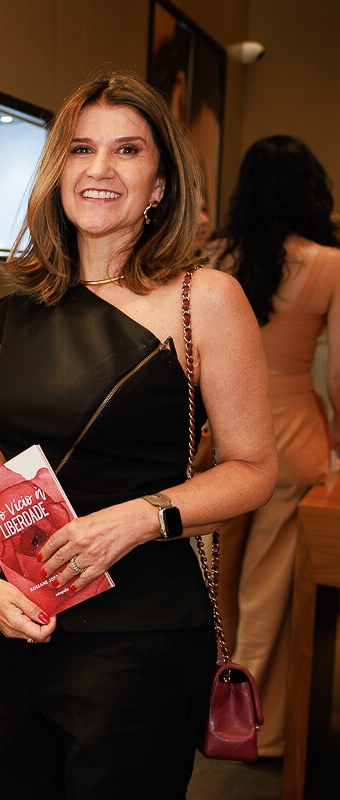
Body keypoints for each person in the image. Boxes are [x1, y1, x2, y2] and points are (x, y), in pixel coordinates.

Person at [0, 72, 277, 799]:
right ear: (57, 172)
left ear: (160, 184)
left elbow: (256, 467)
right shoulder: (21, 307)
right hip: (19, 626)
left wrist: (140, 518)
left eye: (127, 150)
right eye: (81, 149)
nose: (100, 169)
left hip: (142, 638)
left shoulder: (206, 299)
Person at [207, 134, 340, 757]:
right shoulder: (329, 264)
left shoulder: (217, 257)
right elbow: (338, 376)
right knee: (269, 592)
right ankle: (253, 732)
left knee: (218, 582)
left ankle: (207, 714)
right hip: (294, 434)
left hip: (222, 434)